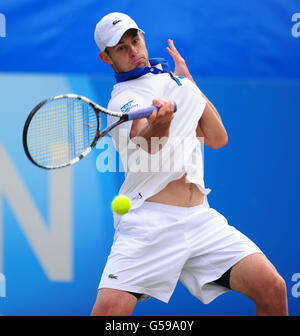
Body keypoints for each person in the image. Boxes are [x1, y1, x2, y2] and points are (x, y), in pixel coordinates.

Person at [91, 12, 288, 316]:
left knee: (272, 288)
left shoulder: (177, 83)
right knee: (109, 314)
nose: (133, 50)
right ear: (107, 58)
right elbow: (145, 141)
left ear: (143, 37)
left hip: (200, 219)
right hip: (149, 222)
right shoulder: (122, 99)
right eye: (121, 48)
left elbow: (218, 137)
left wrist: (191, 83)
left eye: (135, 40)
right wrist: (162, 123)